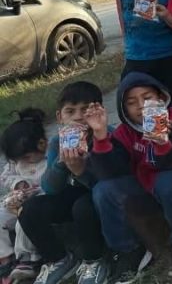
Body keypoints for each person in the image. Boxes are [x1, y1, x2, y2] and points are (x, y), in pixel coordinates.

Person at [86, 73, 172, 283]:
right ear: (125, 110)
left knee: (166, 180)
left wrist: (162, 142)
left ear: (161, 98)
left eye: (147, 97)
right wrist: (101, 136)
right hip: (144, 188)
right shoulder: (125, 132)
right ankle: (129, 250)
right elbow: (111, 172)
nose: (141, 106)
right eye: (131, 103)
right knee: (102, 190)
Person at [20, 83, 110, 284]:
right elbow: (50, 188)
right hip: (68, 197)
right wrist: (62, 164)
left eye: (86, 110)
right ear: (60, 117)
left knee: (83, 206)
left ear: (99, 112)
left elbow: (109, 187)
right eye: (71, 111)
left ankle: (94, 260)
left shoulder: (105, 137)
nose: (79, 117)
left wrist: (80, 170)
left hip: (95, 199)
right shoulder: (57, 143)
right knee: (29, 208)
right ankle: (58, 259)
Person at [0, 109, 47, 280]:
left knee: (23, 220)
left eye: (26, 157)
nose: (22, 162)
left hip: (38, 203)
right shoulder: (17, 161)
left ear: (42, 144)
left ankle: (27, 258)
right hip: (17, 199)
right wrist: (17, 184)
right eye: (17, 159)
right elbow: (5, 176)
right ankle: (5, 256)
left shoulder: (49, 158)